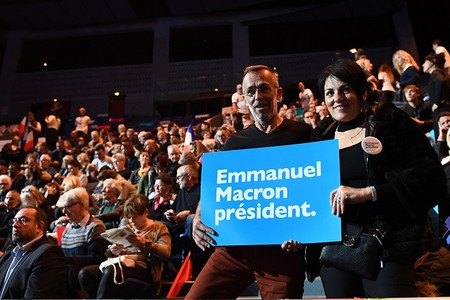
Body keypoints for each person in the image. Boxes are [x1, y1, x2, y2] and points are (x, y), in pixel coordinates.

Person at [312, 58, 447, 298]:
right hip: (334, 253)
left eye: (346, 89)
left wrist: (368, 193)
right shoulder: (318, 139)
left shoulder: (390, 123)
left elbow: (432, 178)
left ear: (363, 93)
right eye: (330, 92)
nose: (337, 98)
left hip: (388, 247)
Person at [187, 65, 312, 299]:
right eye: (251, 92)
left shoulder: (304, 135)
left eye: (264, 88)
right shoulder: (234, 143)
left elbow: (316, 190)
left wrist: (306, 231)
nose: (258, 96)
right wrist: (200, 215)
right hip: (235, 249)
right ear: (243, 100)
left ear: (278, 93)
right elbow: (214, 188)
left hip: (282, 253)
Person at [78, 195, 171, 298]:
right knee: (85, 273)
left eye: (134, 217)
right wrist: (112, 251)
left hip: (144, 267)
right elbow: (109, 255)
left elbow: (166, 251)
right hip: (122, 262)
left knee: (112, 270)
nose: (131, 221)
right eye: (129, 217)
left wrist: (145, 243)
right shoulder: (128, 228)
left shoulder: (159, 227)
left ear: (145, 212)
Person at [0, 206, 68, 299]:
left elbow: (33, 298)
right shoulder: (10, 253)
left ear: (39, 226)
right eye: (14, 221)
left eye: (23, 220)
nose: (15, 225)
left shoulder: (48, 254)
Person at [53, 187, 109, 292]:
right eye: (62, 208)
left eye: (68, 207)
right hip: (66, 271)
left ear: (82, 205)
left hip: (80, 275)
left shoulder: (95, 227)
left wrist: (64, 260)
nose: (64, 212)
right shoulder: (67, 227)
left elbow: (97, 258)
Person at [422, 52, 450, 141]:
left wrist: (436, 102)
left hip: (441, 110)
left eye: (425, 62)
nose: (423, 65)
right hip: (445, 108)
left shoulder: (435, 73)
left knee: (441, 137)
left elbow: (440, 81)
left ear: (432, 62)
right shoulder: (441, 73)